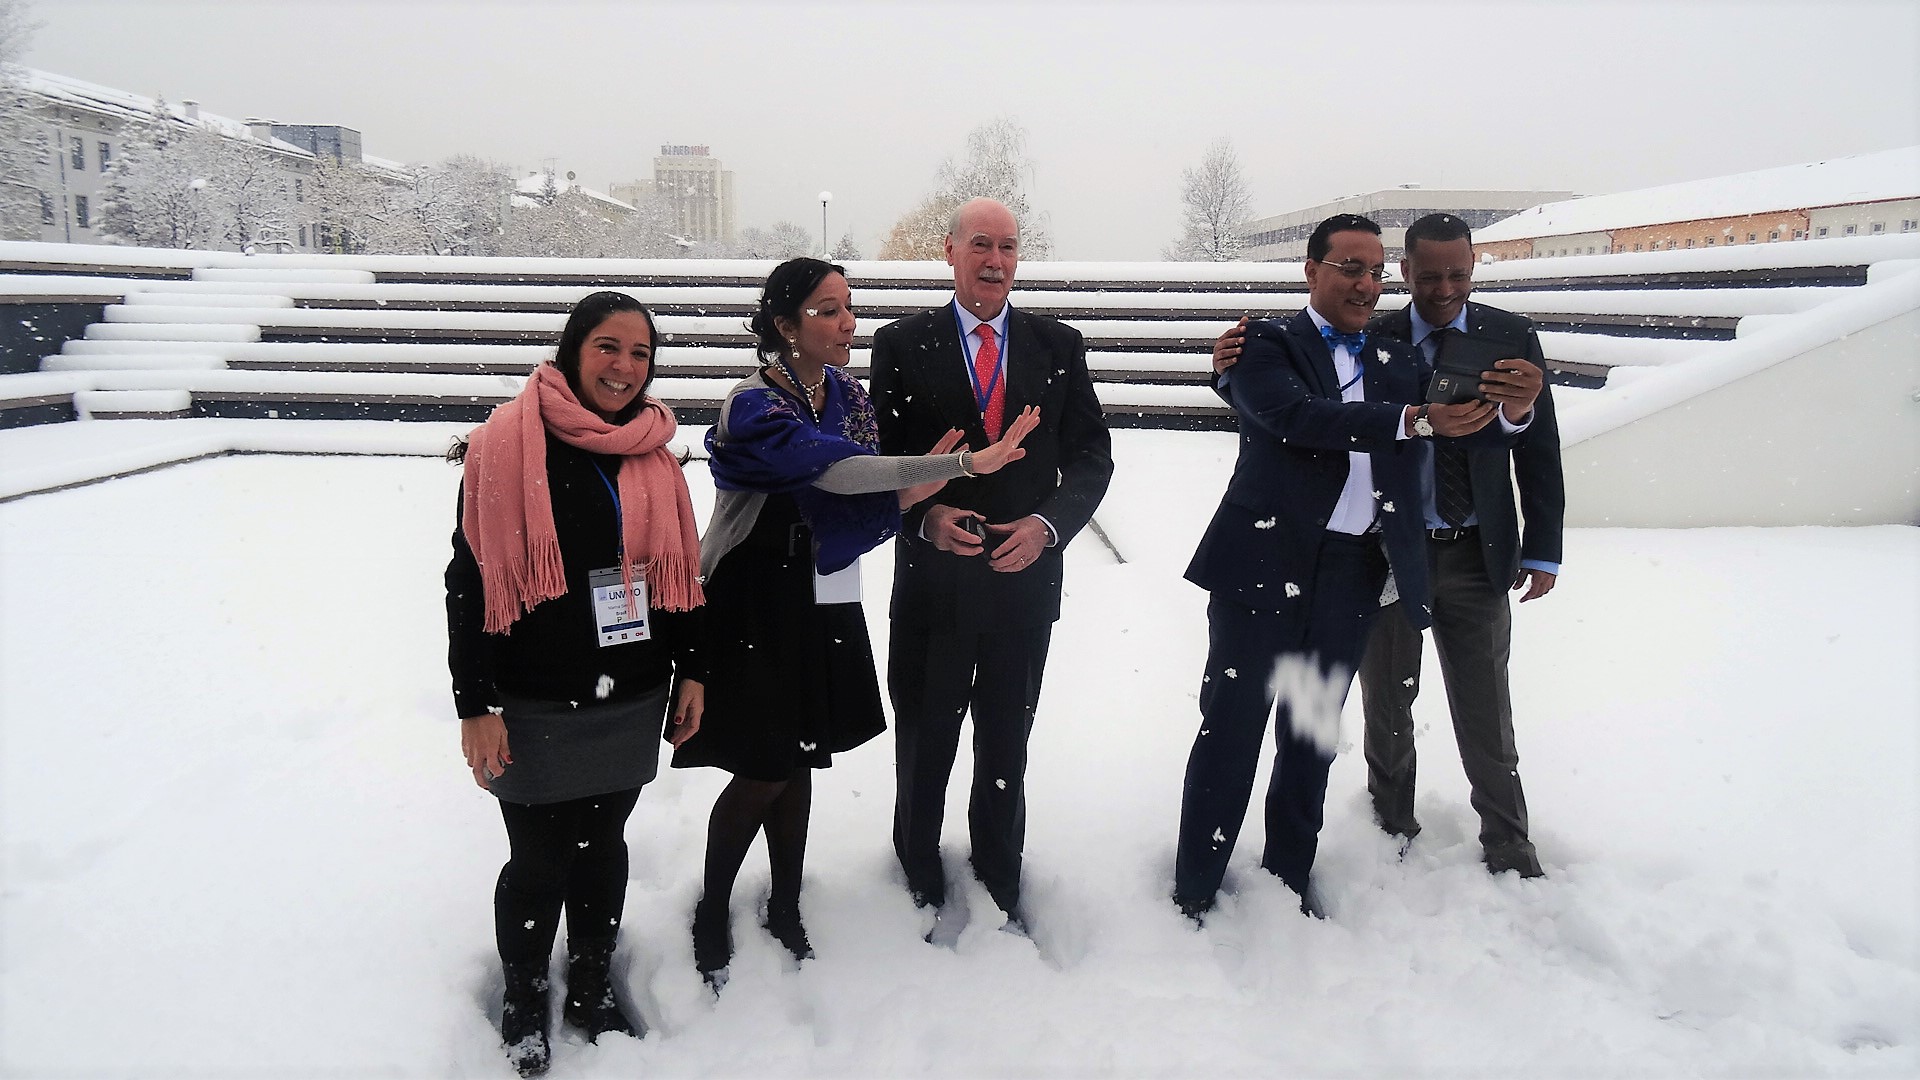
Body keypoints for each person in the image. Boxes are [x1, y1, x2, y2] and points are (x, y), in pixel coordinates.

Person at [673, 256, 1037, 989]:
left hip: (822, 592)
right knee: (764, 765)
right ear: (786, 326)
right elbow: (834, 472)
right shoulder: (752, 405)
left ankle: (785, 901)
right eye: (828, 311)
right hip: (753, 596)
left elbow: (864, 499)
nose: (848, 324)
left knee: (800, 757)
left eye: (848, 307)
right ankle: (712, 906)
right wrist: (958, 465)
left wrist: (921, 490)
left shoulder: (847, 395)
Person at [1174, 214, 1541, 920]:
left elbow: (1457, 421)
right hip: (1263, 564)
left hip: (1348, 574)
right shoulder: (1265, 343)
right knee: (1232, 728)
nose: (1366, 284)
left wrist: (1514, 411)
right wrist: (1408, 420)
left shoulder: (1397, 360)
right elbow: (1294, 417)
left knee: (1309, 735)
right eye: (1349, 268)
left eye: (1375, 272)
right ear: (1311, 271)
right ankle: (1196, 886)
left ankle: (1288, 878)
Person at [446, 291, 707, 1076]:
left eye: (640, 353)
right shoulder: (504, 445)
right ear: (572, 350)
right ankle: (526, 994)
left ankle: (590, 978)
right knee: (538, 857)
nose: (625, 367)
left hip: (631, 691)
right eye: (607, 347)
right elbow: (469, 582)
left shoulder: (654, 452)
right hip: (532, 695)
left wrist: (693, 669)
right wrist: (475, 703)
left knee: (602, 845)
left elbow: (680, 578)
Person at [867, 197, 1114, 935]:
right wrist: (923, 516)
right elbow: (879, 463)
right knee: (925, 744)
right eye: (980, 244)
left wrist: (1047, 527)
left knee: (1006, 742)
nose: (995, 260)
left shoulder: (1057, 345)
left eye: (1007, 246)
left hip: (1021, 586)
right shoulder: (901, 345)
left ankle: (1000, 871)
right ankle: (917, 871)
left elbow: (1092, 458)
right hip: (934, 588)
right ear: (949, 251)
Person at [1356, 213, 1563, 877]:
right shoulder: (1374, 337)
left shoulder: (1510, 335)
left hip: (1477, 552)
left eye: (1458, 274)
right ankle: (1389, 824)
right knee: (1388, 700)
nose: (1445, 289)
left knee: (1485, 709)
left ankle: (1509, 841)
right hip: (1390, 551)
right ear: (1405, 271)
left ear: (1474, 268)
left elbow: (1538, 449)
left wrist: (1543, 547)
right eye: (1429, 275)